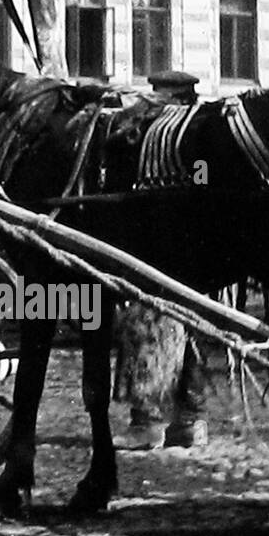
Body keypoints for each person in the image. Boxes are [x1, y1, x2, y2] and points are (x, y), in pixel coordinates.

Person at [117, 68, 207, 450]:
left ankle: (148, 423)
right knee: (192, 334)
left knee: (146, 330)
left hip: (159, 250)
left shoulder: (154, 134)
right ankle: (191, 421)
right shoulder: (196, 132)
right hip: (195, 250)